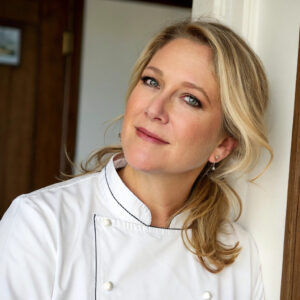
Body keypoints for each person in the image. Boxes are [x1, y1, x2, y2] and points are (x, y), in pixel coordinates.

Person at [0, 19, 272, 299]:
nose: (154, 109)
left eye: (190, 99)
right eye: (151, 81)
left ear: (223, 145)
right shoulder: (41, 223)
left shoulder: (239, 254)